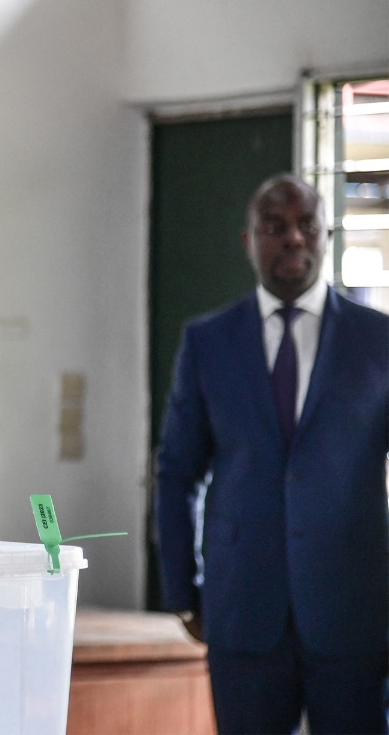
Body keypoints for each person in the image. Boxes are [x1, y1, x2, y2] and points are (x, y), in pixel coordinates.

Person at [157, 173, 389, 734]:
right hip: (240, 608)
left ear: (326, 235)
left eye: (306, 225)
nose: (293, 240)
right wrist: (182, 591)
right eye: (274, 227)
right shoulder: (208, 341)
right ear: (248, 240)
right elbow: (176, 473)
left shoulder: (378, 340)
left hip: (355, 609)